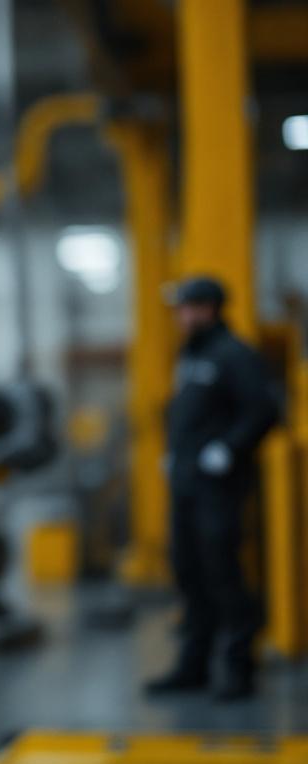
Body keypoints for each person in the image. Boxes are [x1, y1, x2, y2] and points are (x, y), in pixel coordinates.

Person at [146, 275, 279, 701]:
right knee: (189, 572)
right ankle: (194, 665)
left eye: (186, 307)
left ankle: (239, 670)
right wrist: (174, 454)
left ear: (207, 308)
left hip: (218, 487)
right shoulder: (191, 355)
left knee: (223, 573)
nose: (180, 316)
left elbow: (263, 409)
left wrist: (228, 448)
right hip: (186, 482)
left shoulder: (234, 354)